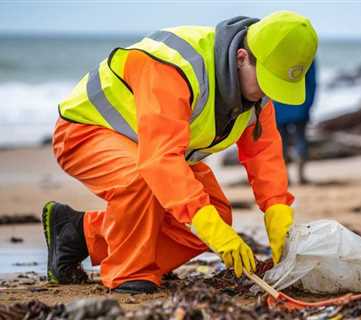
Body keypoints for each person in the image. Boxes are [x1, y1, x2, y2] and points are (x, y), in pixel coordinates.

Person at [42, 11, 318, 294]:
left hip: (152, 150)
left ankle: (77, 234)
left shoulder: (256, 95)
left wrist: (278, 220)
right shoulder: (177, 65)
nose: (266, 94)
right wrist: (208, 226)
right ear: (241, 57)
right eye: (265, 82)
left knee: (217, 215)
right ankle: (129, 272)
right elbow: (159, 160)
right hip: (86, 130)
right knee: (144, 181)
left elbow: (264, 157)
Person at [273, 60, 317, 185]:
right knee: (300, 140)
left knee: (281, 143)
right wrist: (309, 104)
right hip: (299, 104)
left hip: (279, 106)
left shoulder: (277, 52)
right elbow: (312, 82)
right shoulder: (306, 53)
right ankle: (301, 176)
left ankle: (286, 177)